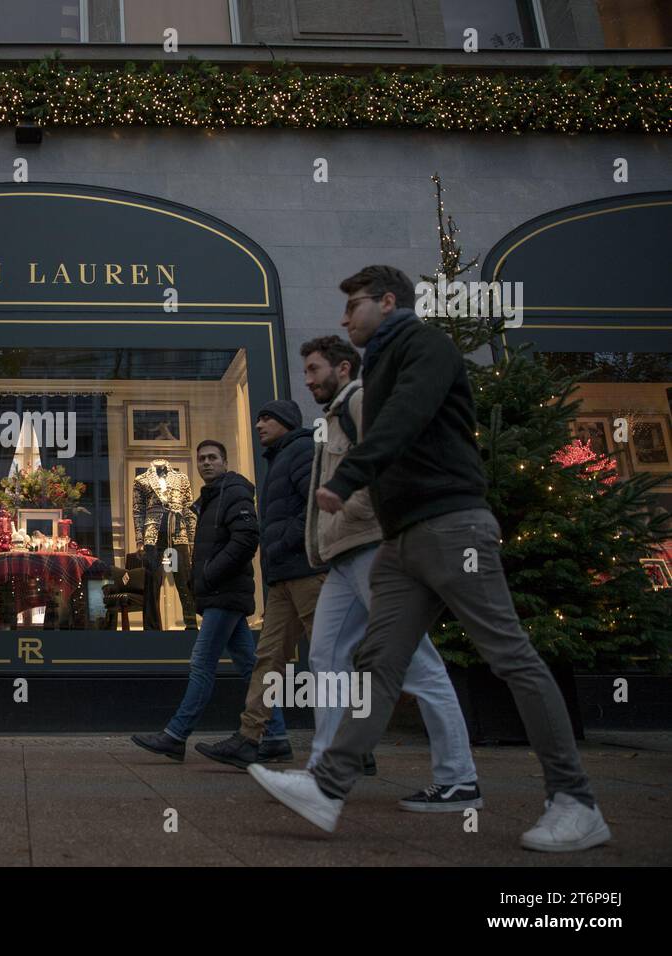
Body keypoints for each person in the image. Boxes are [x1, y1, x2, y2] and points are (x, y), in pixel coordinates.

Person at [250, 265, 610, 853]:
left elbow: (406, 419)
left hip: (452, 527)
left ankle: (575, 800)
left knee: (509, 655)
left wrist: (350, 479)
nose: (345, 318)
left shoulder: (427, 347)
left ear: (388, 302)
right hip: (399, 543)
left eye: (353, 306)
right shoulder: (380, 365)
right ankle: (328, 786)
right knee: (377, 668)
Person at [300, 334, 480, 810]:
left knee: (419, 664)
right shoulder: (336, 413)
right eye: (305, 371)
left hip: (371, 549)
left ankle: (459, 778)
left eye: (314, 369)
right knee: (325, 657)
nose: (308, 379)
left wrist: (346, 513)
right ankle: (324, 772)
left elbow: (388, 462)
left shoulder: (361, 401)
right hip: (343, 557)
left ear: (342, 369)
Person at [130, 440, 286, 760]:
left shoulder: (233, 492)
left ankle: (176, 734)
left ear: (225, 461)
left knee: (202, 663)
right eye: (201, 459)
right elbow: (138, 511)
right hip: (218, 591)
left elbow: (246, 538)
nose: (206, 463)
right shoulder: (211, 497)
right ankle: (276, 735)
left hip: (224, 593)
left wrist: (210, 574)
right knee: (249, 666)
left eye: (212, 458)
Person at [195, 402, 324, 769]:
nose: (258, 424)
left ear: (285, 422)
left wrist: (282, 541)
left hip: (307, 571)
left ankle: (353, 745)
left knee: (328, 657)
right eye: (258, 418)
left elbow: (316, 506)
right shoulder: (278, 458)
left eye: (266, 418)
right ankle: (252, 737)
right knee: (266, 659)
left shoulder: (300, 451)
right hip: (283, 577)